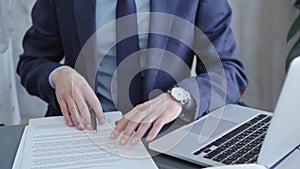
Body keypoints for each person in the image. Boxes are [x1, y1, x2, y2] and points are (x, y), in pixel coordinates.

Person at [17, 0, 248, 146]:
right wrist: (58, 75)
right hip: (84, 134)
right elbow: (32, 61)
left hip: (165, 138)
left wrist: (179, 97)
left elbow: (229, 72)